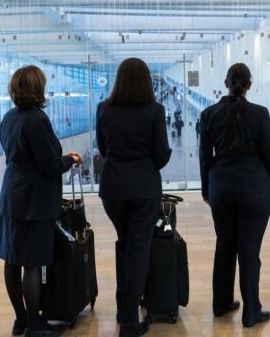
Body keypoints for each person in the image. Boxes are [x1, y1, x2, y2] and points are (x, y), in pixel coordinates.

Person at [0, 65, 83, 337]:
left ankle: (20, 319)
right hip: (34, 200)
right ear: (38, 88)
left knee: (12, 260)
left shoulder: (9, 117)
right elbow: (48, 165)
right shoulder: (37, 120)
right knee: (32, 263)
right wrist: (70, 159)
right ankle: (36, 324)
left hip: (12, 196)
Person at [199, 63, 270, 328]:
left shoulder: (208, 114)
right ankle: (252, 312)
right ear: (249, 85)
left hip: (221, 188)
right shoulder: (260, 114)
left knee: (224, 246)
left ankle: (221, 304)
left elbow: (204, 157)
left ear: (226, 83)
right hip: (255, 190)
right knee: (249, 251)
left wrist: (206, 189)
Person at [96, 58, 172, 337]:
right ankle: (129, 323)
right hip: (143, 189)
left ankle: (123, 307)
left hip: (113, 190)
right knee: (138, 251)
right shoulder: (154, 111)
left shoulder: (104, 109)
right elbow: (161, 155)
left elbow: (103, 149)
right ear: (145, 82)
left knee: (125, 244)